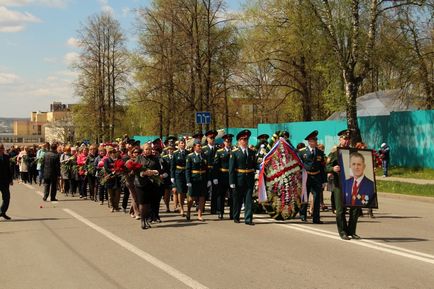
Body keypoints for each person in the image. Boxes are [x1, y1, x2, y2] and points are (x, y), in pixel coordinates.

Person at [326, 129, 361, 240]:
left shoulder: (353, 151)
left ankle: (352, 231)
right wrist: (332, 168)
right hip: (339, 184)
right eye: (344, 139)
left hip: (352, 184)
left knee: (355, 208)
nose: (346, 141)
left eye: (348, 139)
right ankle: (343, 232)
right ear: (340, 139)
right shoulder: (335, 152)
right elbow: (326, 167)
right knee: (340, 210)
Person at [229, 130, 257, 225]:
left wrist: (263, 165)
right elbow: (231, 169)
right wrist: (232, 182)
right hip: (238, 179)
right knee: (238, 199)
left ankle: (248, 219)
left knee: (248, 199)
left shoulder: (252, 152)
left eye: (246, 139)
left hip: (249, 178)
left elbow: (254, 165)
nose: (245, 141)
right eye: (243, 139)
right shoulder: (235, 153)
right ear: (239, 141)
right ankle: (236, 216)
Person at [298, 130, 326, 224]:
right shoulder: (302, 152)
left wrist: (324, 180)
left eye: (315, 141)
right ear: (309, 142)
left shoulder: (320, 152)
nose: (315, 142)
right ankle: (303, 215)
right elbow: (298, 165)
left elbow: (322, 167)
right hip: (306, 176)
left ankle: (316, 218)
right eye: (313, 141)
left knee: (317, 197)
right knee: (304, 196)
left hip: (317, 176)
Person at [185, 139, 209, 221]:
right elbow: (188, 169)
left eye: (200, 146)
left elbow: (207, 169)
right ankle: (188, 211)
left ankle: (199, 214)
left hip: (202, 179)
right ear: (194, 147)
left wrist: (208, 179)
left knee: (202, 197)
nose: (200, 147)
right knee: (192, 198)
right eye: (198, 146)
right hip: (193, 179)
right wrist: (188, 181)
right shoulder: (190, 156)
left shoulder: (204, 156)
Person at [213, 134, 234, 219]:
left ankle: (232, 213)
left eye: (230, 141)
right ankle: (220, 212)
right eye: (227, 141)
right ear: (224, 142)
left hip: (231, 176)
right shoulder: (219, 152)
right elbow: (216, 165)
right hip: (222, 175)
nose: (228, 143)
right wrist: (215, 177)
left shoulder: (234, 151)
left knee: (232, 196)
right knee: (221, 195)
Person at [171, 138, 189, 216]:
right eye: (181, 143)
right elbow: (172, 166)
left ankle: (188, 208)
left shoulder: (188, 153)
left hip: (186, 173)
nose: (183, 144)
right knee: (180, 192)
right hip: (178, 174)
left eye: (184, 143)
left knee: (187, 192)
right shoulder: (175, 154)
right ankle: (182, 208)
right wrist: (172, 176)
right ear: (178, 145)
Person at [202, 129, 218, 214]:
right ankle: (201, 207)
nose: (212, 139)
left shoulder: (217, 148)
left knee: (215, 191)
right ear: (207, 139)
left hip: (215, 171)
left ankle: (214, 209)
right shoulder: (203, 149)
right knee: (204, 191)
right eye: (211, 138)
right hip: (206, 171)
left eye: (213, 138)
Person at [0, 143, 13, 220]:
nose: (1, 150)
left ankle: (2, 212)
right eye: (0, 149)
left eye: (2, 149)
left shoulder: (6, 157)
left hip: (5, 181)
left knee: (7, 198)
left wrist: (10, 180)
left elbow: (9, 169)